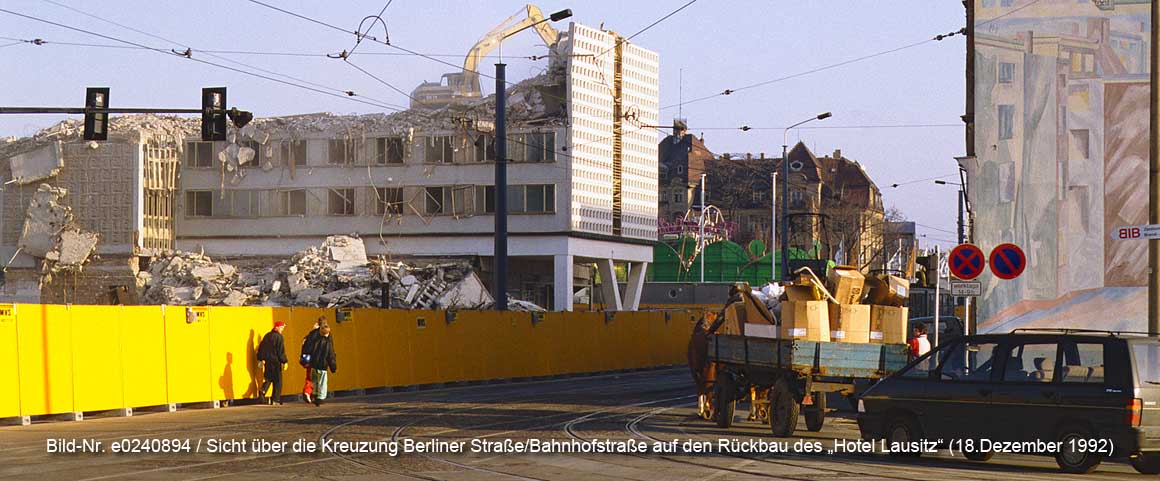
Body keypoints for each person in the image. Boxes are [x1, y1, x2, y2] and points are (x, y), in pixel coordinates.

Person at [256, 321, 288, 405]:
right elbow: (281, 351)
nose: (282, 329)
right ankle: (275, 399)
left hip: (267, 361)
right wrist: (284, 361)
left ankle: (263, 390)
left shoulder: (267, 336)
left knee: (268, 378)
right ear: (276, 327)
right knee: (278, 381)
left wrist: (260, 359)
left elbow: (261, 348)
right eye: (281, 328)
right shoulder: (279, 337)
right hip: (276, 362)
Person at [307, 324, 337, 406]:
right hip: (322, 365)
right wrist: (333, 367)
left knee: (315, 381)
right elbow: (330, 356)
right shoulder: (327, 343)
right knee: (322, 382)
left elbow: (309, 349)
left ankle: (315, 395)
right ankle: (320, 398)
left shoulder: (315, 340)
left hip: (314, 364)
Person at [299, 317, 325, 404]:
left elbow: (303, 348)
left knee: (309, 376)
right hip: (317, 360)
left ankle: (309, 393)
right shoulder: (320, 337)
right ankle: (310, 392)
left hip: (308, 359)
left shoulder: (307, 337)